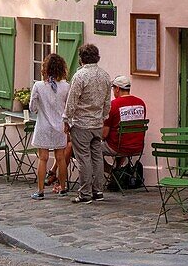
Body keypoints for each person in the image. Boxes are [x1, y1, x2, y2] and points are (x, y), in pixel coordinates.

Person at [63, 43, 111, 204]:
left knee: (83, 159)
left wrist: (66, 119)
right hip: (97, 123)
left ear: (81, 58)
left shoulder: (80, 76)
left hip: (81, 124)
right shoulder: (105, 75)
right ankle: (98, 191)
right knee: (97, 157)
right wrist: (103, 117)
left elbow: (72, 100)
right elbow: (107, 102)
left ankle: (85, 193)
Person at [29, 53, 71, 200]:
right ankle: (63, 187)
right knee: (60, 158)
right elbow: (68, 107)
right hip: (60, 126)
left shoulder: (39, 86)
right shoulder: (66, 86)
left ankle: (40, 191)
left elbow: (32, 107)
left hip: (43, 126)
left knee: (43, 158)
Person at [102, 74, 146, 180]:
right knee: (123, 138)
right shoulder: (141, 103)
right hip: (137, 146)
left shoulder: (113, 105)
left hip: (118, 147)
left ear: (117, 89)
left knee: (92, 148)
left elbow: (104, 135)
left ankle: (112, 171)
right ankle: (118, 171)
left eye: (113, 88)